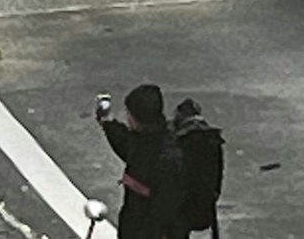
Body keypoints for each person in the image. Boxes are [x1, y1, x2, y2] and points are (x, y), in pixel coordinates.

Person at [96, 84, 184, 239]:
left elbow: (126, 144)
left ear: (135, 117)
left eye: (129, 113)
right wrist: (107, 122)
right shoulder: (168, 138)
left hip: (143, 227)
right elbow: (124, 140)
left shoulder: (145, 151)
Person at [171, 98, 225, 238]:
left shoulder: (180, 139)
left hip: (182, 204)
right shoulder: (212, 139)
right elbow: (218, 173)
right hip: (205, 201)